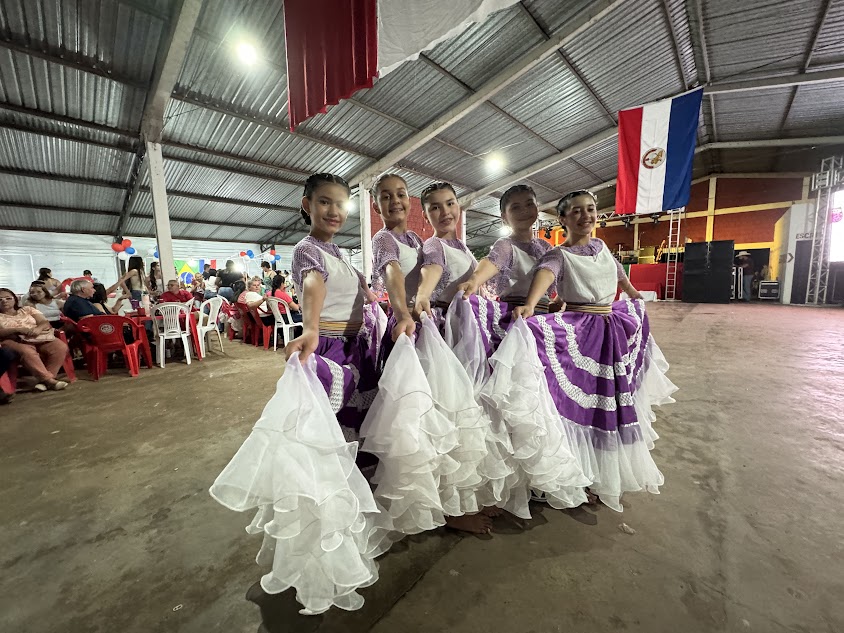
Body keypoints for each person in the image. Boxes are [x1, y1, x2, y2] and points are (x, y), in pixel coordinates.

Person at [210, 173, 393, 614]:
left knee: (355, 445)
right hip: (329, 353)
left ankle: (354, 533)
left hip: (357, 352)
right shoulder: (308, 250)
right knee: (324, 453)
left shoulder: (341, 254)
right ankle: (322, 557)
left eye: (340, 204)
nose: (334, 211)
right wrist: (310, 331)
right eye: (325, 202)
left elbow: (361, 295)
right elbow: (314, 287)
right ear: (306, 206)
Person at [511, 190, 677, 512]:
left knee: (610, 404)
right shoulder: (559, 255)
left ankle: (602, 474)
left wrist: (631, 293)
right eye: (576, 211)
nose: (586, 216)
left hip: (612, 330)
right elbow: (545, 277)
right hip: (582, 333)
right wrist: (530, 305)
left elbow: (616, 272)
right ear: (563, 219)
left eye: (590, 210)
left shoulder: (601, 247)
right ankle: (575, 474)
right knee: (581, 408)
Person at [454, 184, 554, 356]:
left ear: (537, 207)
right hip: (517, 317)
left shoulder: (546, 247)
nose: (524, 210)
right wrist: (474, 280)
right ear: (504, 217)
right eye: (515, 207)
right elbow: (493, 262)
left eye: (529, 204)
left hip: (544, 318)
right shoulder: (506, 245)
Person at [370, 173, 423, 345]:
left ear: (409, 200)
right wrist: (403, 315)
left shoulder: (415, 238)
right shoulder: (383, 239)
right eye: (386, 197)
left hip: (427, 318)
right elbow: (393, 271)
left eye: (401, 195)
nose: (395, 201)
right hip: (408, 322)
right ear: (376, 207)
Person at [413, 182, 478, 322]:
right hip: (452, 324)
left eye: (450, 204)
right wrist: (423, 295)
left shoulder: (462, 246)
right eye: (435, 208)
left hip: (471, 320)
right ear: (425, 216)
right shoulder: (434, 244)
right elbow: (432, 266)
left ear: (458, 206)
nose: (445, 212)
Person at [0, 288, 69, 391]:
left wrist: (38, 329)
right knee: (27, 351)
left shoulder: (27, 309)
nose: (4, 301)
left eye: (8, 298)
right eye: (0, 299)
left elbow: (44, 322)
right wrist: (17, 329)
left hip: (37, 336)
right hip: (13, 340)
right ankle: (49, 381)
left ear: (15, 299)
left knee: (60, 346)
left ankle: (46, 381)